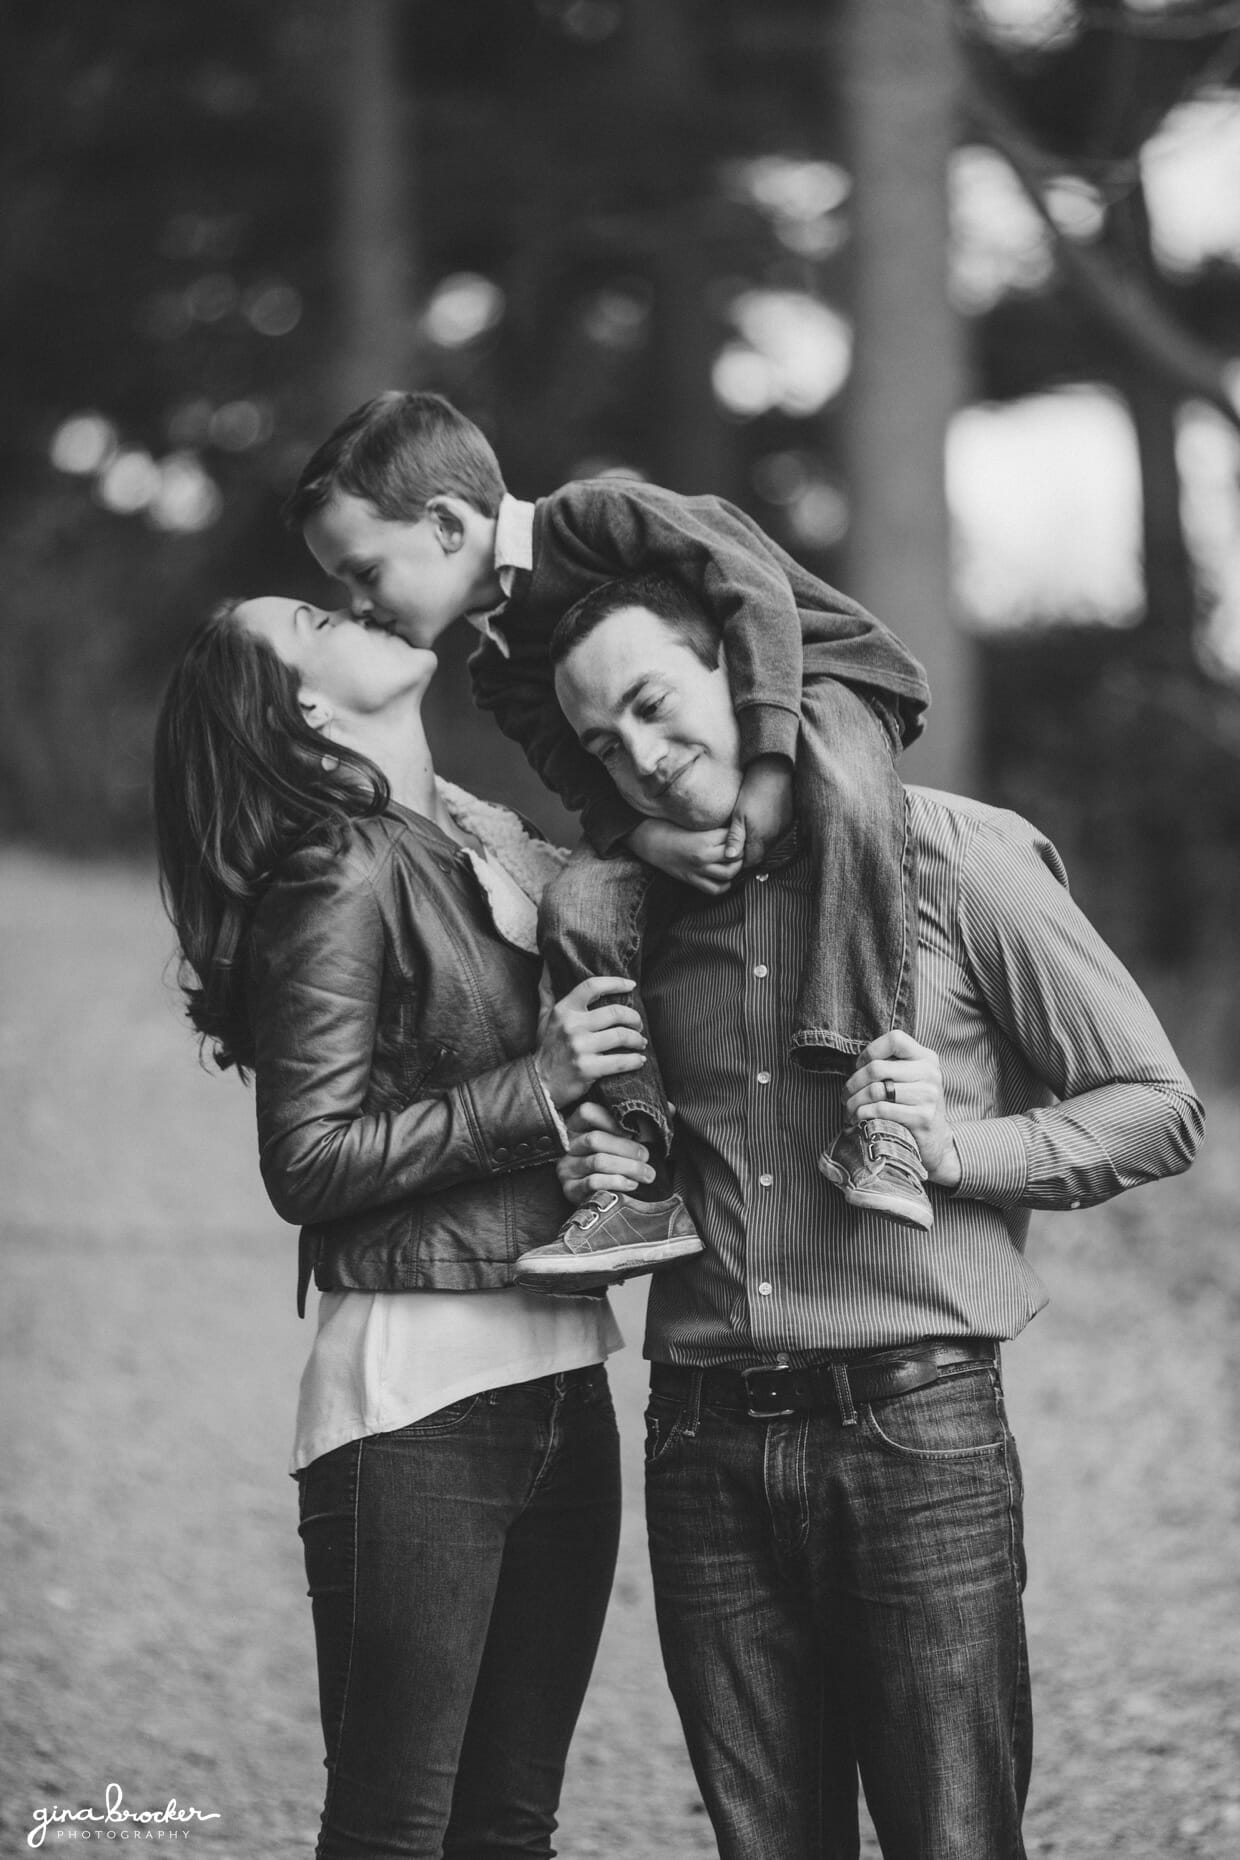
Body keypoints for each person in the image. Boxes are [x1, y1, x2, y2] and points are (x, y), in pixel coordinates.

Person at [545, 579, 1205, 1860]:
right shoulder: (634, 906)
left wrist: (955, 1150)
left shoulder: (955, 856)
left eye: (652, 703)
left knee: (951, 1840)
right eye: (602, 743)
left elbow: (1157, 1107)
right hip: (700, 1443)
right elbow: (635, 1151)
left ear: (747, 677)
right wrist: (595, 1160)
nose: (642, 755)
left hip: (916, 1434)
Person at [152, 596, 646, 1860]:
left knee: (510, 1829)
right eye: (318, 617)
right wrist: (537, 1089)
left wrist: (580, 1140)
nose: (365, 604)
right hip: (417, 1403)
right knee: (393, 1830)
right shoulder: (339, 869)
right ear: (304, 712)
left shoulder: (476, 841)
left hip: (564, 1386)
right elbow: (306, 1161)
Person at [283, 391, 936, 1271]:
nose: (361, 605)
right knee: (578, 907)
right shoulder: (498, 670)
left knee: (851, 791)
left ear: (444, 525)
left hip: (821, 681)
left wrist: (772, 763)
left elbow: (751, 587)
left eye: (365, 572)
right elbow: (577, 772)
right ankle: (637, 1174)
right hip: (669, 783)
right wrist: (646, 837)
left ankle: (867, 1091)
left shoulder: (593, 517)